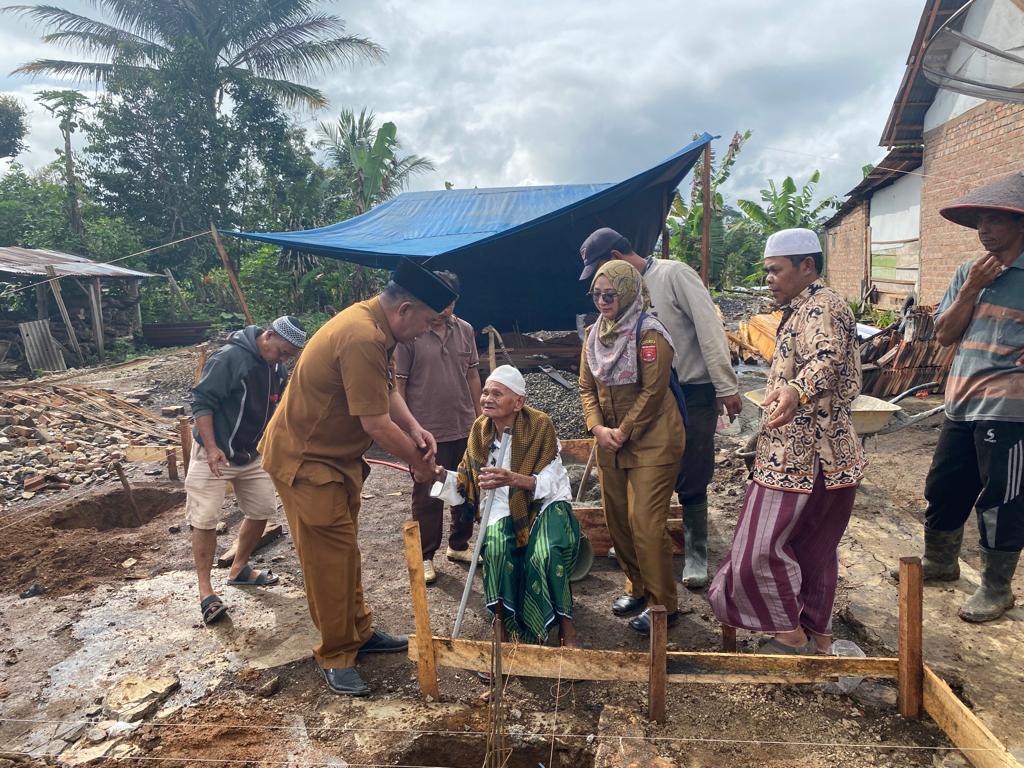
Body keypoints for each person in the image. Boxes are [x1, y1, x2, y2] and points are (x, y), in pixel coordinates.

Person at [259, 258, 457, 696]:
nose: (427, 330)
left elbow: (385, 391)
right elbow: (375, 425)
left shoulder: (374, 326)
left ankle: (359, 632)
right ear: (405, 309)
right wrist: (421, 465)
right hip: (306, 461)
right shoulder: (362, 335)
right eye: (428, 320)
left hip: (334, 461)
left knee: (344, 551)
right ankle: (336, 654)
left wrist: (416, 426)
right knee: (327, 560)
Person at [708, 228, 865, 654]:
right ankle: (819, 638)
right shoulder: (805, 307)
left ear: (807, 266)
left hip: (799, 456)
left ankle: (789, 634)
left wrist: (796, 390)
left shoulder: (821, 306)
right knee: (814, 549)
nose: (769, 280)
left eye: (775, 271)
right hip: (830, 458)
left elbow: (827, 358)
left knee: (757, 549)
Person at [579, 227, 741, 589]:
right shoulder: (617, 306)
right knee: (646, 477)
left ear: (618, 261)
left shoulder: (673, 274)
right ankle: (645, 551)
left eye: (606, 280)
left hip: (689, 388)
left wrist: (726, 386)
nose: (603, 292)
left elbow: (709, 328)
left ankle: (696, 549)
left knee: (693, 468)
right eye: (598, 289)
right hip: (639, 397)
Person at [896, 172, 1024, 623]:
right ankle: (942, 561)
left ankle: (996, 587)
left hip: (1011, 411)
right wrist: (971, 287)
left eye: (995, 221)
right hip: (961, 402)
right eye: (980, 222)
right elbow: (946, 334)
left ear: (1020, 224)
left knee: (1002, 500)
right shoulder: (968, 272)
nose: (984, 230)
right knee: (945, 486)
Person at [430, 365, 581, 646]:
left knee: (545, 554)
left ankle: (565, 627)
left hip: (544, 502)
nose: (487, 398)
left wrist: (515, 479)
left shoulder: (540, 425)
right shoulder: (479, 430)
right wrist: (440, 475)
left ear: (518, 402)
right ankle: (501, 624)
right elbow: (467, 482)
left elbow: (553, 477)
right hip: (498, 504)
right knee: (497, 549)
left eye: (497, 394)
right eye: (485, 392)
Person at [578, 260, 686, 634]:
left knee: (646, 522)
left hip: (653, 437)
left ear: (627, 292)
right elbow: (586, 388)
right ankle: (638, 586)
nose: (603, 301)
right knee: (618, 520)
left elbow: (654, 392)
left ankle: (663, 606)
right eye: (597, 294)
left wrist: (621, 430)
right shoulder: (594, 336)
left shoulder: (649, 334)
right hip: (610, 439)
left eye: (610, 294)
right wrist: (596, 427)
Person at [187, 316, 306, 625]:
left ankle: (239, 569)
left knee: (261, 509)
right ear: (267, 337)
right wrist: (212, 447)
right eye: (281, 352)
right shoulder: (230, 358)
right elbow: (202, 400)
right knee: (205, 518)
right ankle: (206, 593)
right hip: (215, 452)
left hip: (251, 453)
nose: (283, 361)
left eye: (288, 357)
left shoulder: (275, 367)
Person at [394, 271, 482, 585]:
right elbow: (398, 386)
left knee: (467, 488)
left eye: (448, 303)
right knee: (428, 495)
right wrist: (406, 429)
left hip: (463, 424)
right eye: (437, 303)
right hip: (425, 430)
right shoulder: (411, 334)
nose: (442, 310)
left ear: (456, 301)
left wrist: (480, 418)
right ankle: (425, 556)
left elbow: (472, 375)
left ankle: (459, 544)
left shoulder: (466, 330)